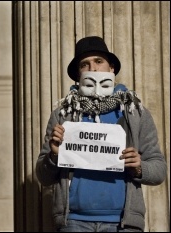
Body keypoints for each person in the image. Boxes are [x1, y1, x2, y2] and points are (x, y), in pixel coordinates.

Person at [36, 36, 167, 232]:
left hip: (123, 223)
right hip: (73, 222)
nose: (93, 68)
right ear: (77, 75)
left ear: (111, 68)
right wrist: (54, 155)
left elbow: (159, 170)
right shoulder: (63, 115)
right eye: (85, 64)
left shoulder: (135, 113)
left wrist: (139, 168)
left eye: (99, 61)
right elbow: (43, 176)